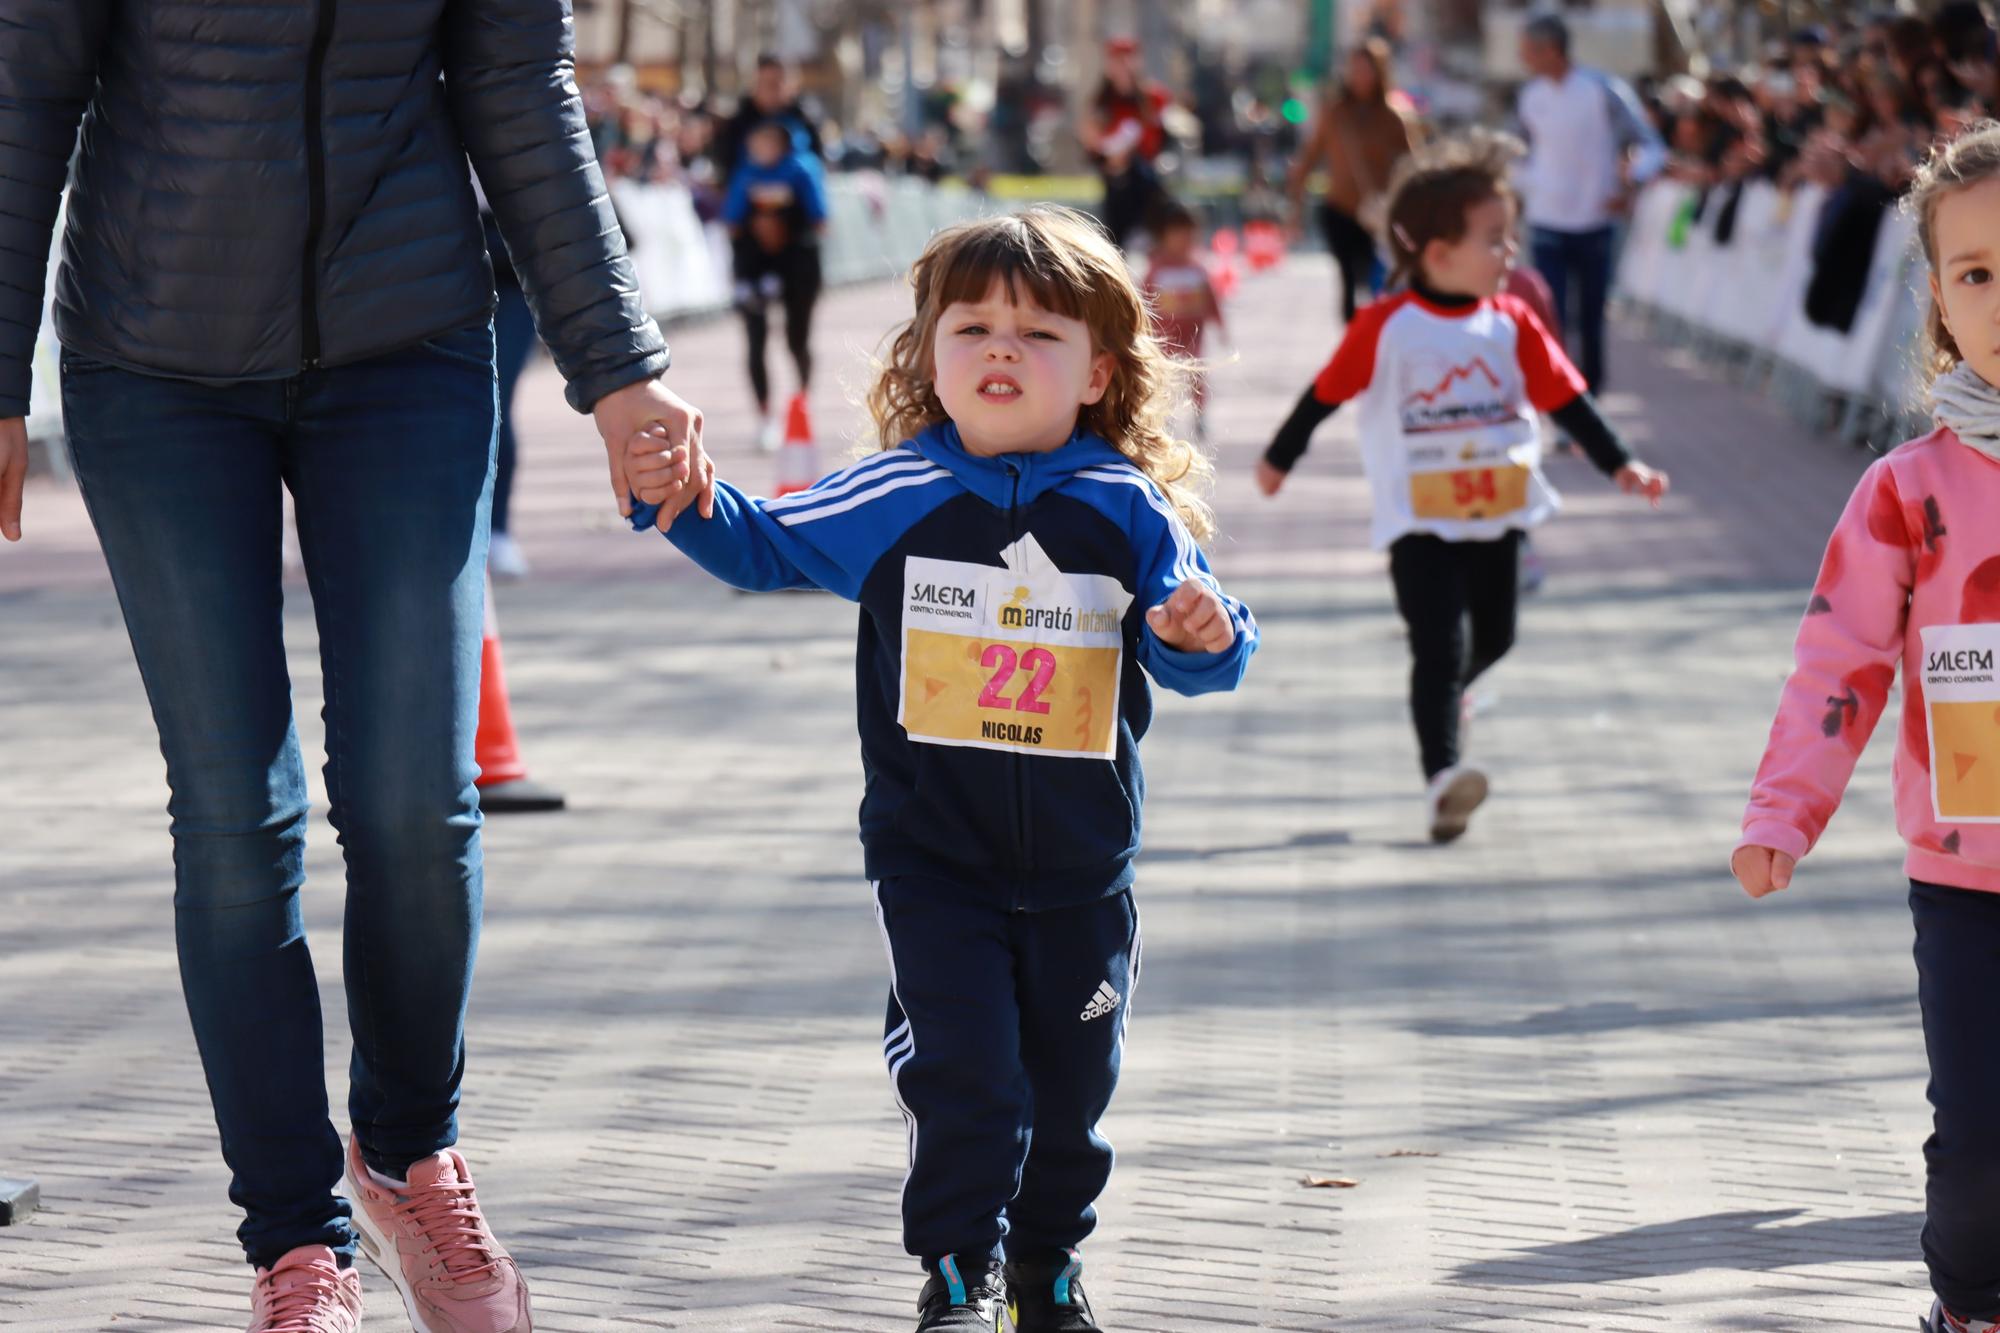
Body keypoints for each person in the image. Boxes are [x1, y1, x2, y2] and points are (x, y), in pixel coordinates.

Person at [0, 4, 714, 1331]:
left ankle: (407, 1151)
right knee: (232, 815)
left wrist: (619, 365)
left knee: (413, 801)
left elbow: (520, 89)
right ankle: (294, 1243)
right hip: (154, 363)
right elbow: (23, 90)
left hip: (409, 347)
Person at [625, 207, 1256, 1333]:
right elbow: (760, 542)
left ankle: (1049, 1270)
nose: (999, 350)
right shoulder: (896, 492)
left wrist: (1202, 632)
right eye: (970, 328)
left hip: (1079, 869)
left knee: (1068, 1094)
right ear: (927, 355)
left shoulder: (1124, 506)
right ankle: (962, 1270)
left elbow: (1194, 641)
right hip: (934, 861)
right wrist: (675, 491)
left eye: (1037, 333)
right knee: (965, 1074)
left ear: (1100, 373)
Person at [1731, 123, 2000, 1333]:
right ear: (1938, 301)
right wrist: (1783, 810)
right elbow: (1835, 664)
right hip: (1965, 878)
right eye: (1976, 271)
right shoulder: (1904, 491)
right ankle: (1967, 1308)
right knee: (1982, 1149)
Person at [1254, 132, 1668, 842]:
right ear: (1438, 254)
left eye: (1511, 239)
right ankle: (1442, 777)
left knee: (1496, 635)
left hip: (1497, 512)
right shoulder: (1385, 326)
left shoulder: (1512, 322)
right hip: (1418, 519)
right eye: (1495, 241)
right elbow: (1323, 393)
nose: (1511, 255)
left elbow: (1568, 400)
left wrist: (1621, 462)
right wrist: (1279, 457)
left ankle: (1449, 702)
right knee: (1438, 648)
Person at [1515, 13, 1667, 392]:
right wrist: (1531, 184)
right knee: (1551, 315)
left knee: (1591, 317)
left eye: (1529, 51)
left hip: (1595, 224)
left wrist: (1630, 182)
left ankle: (1591, 393)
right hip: (1547, 223)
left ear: (1551, 50)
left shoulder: (1603, 90)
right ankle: (1559, 394)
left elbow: (1651, 145)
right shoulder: (1531, 97)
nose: (1524, 59)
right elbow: (1516, 153)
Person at [1288, 40, 1418, 324]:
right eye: (1355, 68)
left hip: (1377, 214)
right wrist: (1295, 204)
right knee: (1347, 279)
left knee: (1377, 278)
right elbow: (1310, 156)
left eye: (1366, 69)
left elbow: (1412, 165)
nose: (1360, 75)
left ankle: (1376, 334)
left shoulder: (1394, 115)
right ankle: (1352, 339)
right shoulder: (1335, 113)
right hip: (1339, 207)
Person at [723, 118, 830, 452]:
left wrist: (785, 224)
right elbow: (731, 222)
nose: (763, 149)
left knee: (796, 340)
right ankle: (765, 416)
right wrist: (757, 226)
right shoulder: (744, 173)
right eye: (758, 141)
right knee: (755, 340)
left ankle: (800, 402)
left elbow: (820, 219)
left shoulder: (803, 169)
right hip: (755, 268)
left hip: (797, 265)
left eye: (770, 141)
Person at [1142, 199, 1227, 439]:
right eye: (1178, 233)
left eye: (1190, 233)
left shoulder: (1197, 269)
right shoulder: (1156, 269)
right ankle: (1163, 415)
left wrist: (1219, 323)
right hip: (1163, 334)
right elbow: (1144, 299)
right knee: (1162, 376)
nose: (1184, 239)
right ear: (1163, 235)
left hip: (1193, 333)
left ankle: (1200, 414)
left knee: (1197, 374)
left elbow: (1211, 297)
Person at [1081, 37, 1173, 249]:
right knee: (1115, 237)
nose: (1123, 66)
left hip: (1146, 177)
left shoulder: (1153, 98)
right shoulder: (1102, 102)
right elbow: (1091, 142)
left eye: (1127, 59)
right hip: (1116, 179)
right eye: (1117, 60)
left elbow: (1163, 136)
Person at [716, 53, 827, 179]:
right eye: (763, 83)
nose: (769, 91)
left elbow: (817, 169)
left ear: (793, 85)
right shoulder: (738, 125)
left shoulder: (806, 122)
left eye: (775, 84)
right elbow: (728, 171)